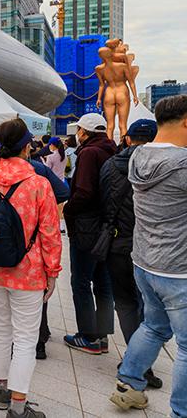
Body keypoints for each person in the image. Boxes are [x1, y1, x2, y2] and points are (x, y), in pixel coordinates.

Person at [0, 118, 63, 418]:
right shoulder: (39, 184)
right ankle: (19, 406)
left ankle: (0, 390)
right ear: (26, 148)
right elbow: (50, 233)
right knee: (25, 338)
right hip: (29, 271)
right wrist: (53, 271)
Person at [110, 95, 187, 415]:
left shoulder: (138, 155)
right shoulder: (182, 164)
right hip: (178, 269)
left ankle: (129, 384)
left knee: (154, 326)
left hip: (144, 260)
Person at [0, 146, 70, 360]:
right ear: (26, 148)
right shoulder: (39, 171)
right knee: (35, 299)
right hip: (33, 251)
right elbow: (63, 193)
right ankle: (39, 340)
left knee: (2, 317)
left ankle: (9, 360)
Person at [99, 119, 162, 389]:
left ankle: (135, 361)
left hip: (119, 244)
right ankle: (142, 364)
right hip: (154, 247)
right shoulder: (166, 166)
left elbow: (103, 201)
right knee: (151, 307)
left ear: (127, 139)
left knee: (125, 302)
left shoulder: (111, 165)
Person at [62, 113, 117, 354]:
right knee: (103, 283)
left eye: (80, 130)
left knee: (81, 281)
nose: (78, 134)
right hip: (108, 225)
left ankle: (88, 336)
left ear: (85, 132)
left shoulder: (88, 153)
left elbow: (83, 191)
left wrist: (67, 209)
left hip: (87, 226)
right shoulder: (113, 150)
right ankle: (102, 335)